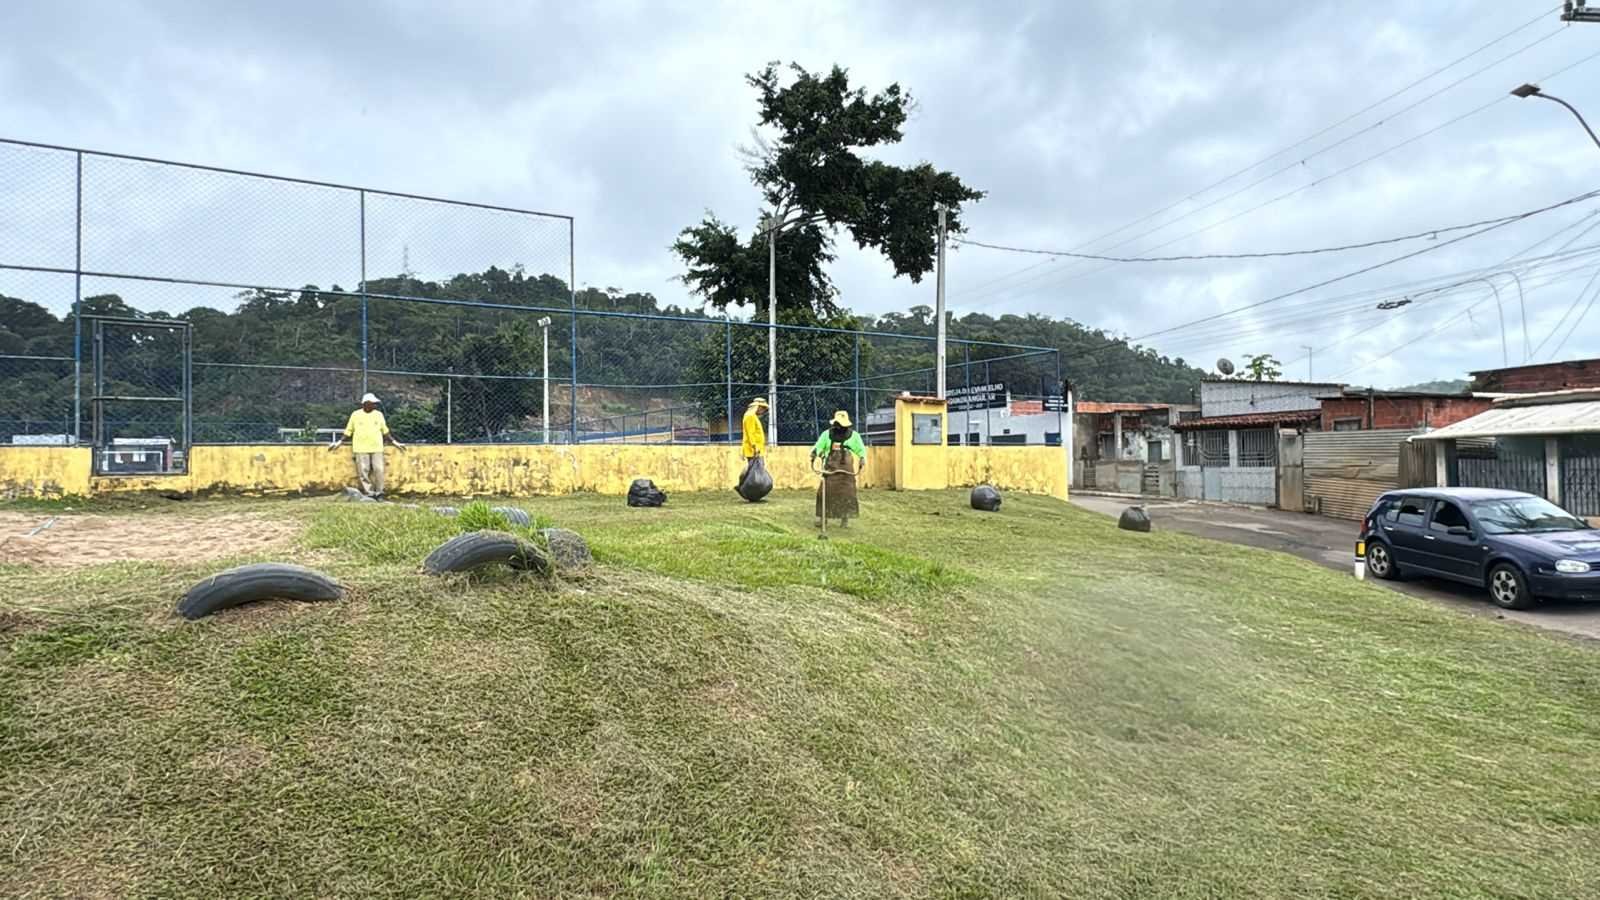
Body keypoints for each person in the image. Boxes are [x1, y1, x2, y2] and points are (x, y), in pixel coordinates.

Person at [328, 392, 405, 498]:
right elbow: (348, 431)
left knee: (379, 469)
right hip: (360, 447)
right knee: (363, 471)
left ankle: (380, 492)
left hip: (377, 447)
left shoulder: (378, 414)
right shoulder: (355, 415)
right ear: (366, 403)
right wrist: (339, 442)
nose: (374, 405)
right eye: (372, 403)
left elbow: (385, 431)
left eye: (374, 403)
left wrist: (395, 442)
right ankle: (369, 492)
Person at [810, 410, 866, 527]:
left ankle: (844, 519)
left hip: (846, 470)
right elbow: (819, 446)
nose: (839, 426)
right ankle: (823, 519)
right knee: (824, 492)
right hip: (830, 468)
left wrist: (862, 458)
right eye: (837, 424)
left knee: (847, 494)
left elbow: (861, 449)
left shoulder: (854, 436)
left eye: (841, 424)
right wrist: (815, 453)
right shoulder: (826, 434)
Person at [737, 397, 769, 495]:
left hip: (755, 449)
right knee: (754, 473)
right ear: (758, 407)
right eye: (763, 408)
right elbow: (750, 433)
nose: (763, 411)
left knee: (754, 472)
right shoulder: (750, 416)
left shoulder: (751, 416)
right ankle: (748, 490)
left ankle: (751, 491)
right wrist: (755, 447)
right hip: (753, 449)